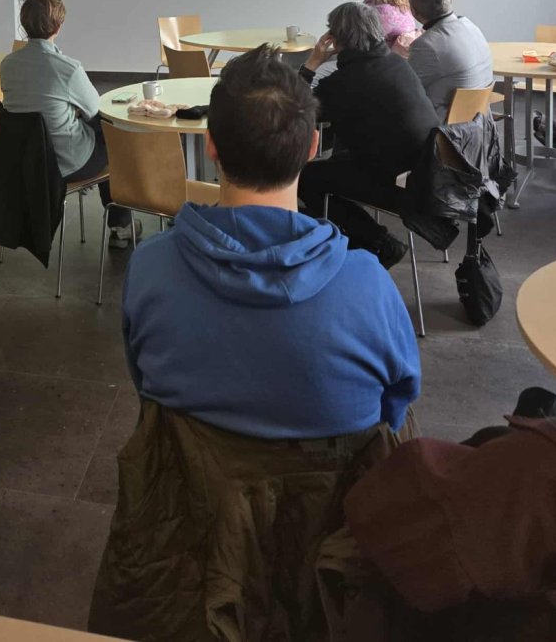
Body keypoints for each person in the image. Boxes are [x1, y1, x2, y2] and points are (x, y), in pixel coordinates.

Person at [122, 45, 420, 438]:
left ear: (211, 144)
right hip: (338, 496)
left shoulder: (150, 268)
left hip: (189, 492)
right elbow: (395, 406)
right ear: (312, 147)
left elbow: (145, 385)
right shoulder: (368, 283)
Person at [297, 2, 438, 267]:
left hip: (401, 184)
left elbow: (294, 110)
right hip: (428, 171)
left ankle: (379, 242)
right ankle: (356, 237)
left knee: (306, 178)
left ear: (337, 39)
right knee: (336, 162)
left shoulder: (346, 82)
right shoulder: (396, 63)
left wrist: (312, 63)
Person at [0, 0, 136, 246]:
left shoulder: (8, 65)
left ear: (24, 23)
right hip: (66, 162)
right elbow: (96, 109)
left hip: (24, 161)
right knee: (115, 140)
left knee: (99, 132)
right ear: (59, 26)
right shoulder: (67, 68)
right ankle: (121, 225)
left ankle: (121, 224)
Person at [406, 0, 493, 121]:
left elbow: (404, 91)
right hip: (481, 127)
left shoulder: (426, 46)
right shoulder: (471, 26)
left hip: (446, 135)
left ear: (413, 11)